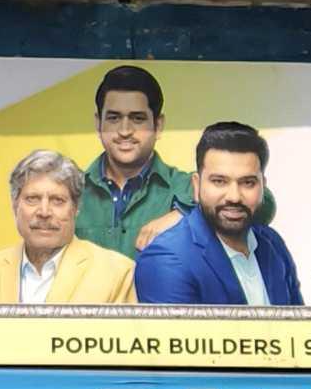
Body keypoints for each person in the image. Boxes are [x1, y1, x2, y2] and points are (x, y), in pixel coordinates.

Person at [76, 64, 276, 258]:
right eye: (114, 118)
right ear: (98, 123)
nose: (125, 131)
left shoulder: (187, 186)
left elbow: (265, 203)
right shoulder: (71, 191)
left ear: (158, 125)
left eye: (137, 118)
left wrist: (187, 216)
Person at [133, 122, 303, 307]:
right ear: (196, 186)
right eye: (219, 181)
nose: (234, 197)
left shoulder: (272, 243)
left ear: (263, 186)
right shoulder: (166, 260)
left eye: (248, 183)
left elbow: (300, 323)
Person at [0, 149, 137, 305]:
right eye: (32, 199)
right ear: (15, 205)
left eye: (57, 200)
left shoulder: (116, 272)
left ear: (76, 208)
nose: (44, 212)